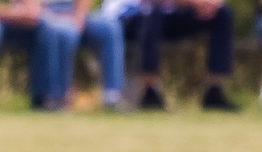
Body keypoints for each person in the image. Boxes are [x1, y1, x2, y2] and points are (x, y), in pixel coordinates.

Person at [108, 0, 240, 109]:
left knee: (222, 14)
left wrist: (211, 4)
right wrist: (194, 3)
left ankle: (214, 91)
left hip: (170, 14)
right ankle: (150, 91)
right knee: (153, 13)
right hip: (127, 17)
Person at [45, 0, 127, 108]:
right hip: (46, 12)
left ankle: (112, 96)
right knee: (63, 32)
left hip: (75, 11)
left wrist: (78, 17)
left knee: (110, 27)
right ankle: (57, 96)